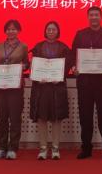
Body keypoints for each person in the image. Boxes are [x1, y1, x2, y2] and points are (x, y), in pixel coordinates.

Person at [70, 6, 102, 160]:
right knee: (85, 116)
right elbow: (73, 55)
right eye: (91, 15)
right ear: (88, 17)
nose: (94, 17)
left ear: (101, 17)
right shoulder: (80, 34)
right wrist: (74, 67)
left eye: (96, 15)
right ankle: (86, 148)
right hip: (84, 82)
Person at [30, 21, 73, 160]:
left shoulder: (64, 48)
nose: (51, 31)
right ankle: (43, 148)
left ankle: (55, 148)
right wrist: (37, 77)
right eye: (48, 29)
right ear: (45, 31)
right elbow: (34, 66)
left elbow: (68, 66)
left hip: (57, 88)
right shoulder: (38, 47)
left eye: (53, 29)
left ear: (58, 31)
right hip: (41, 88)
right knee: (42, 118)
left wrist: (60, 77)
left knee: (56, 118)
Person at [0, 19, 29, 160]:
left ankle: (13, 148)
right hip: (0, 86)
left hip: (15, 86)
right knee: (1, 117)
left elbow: (27, 64)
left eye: (14, 29)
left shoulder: (23, 46)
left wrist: (24, 66)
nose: (11, 31)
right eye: (8, 29)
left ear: (18, 31)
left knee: (15, 117)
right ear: (5, 31)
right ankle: (1, 147)